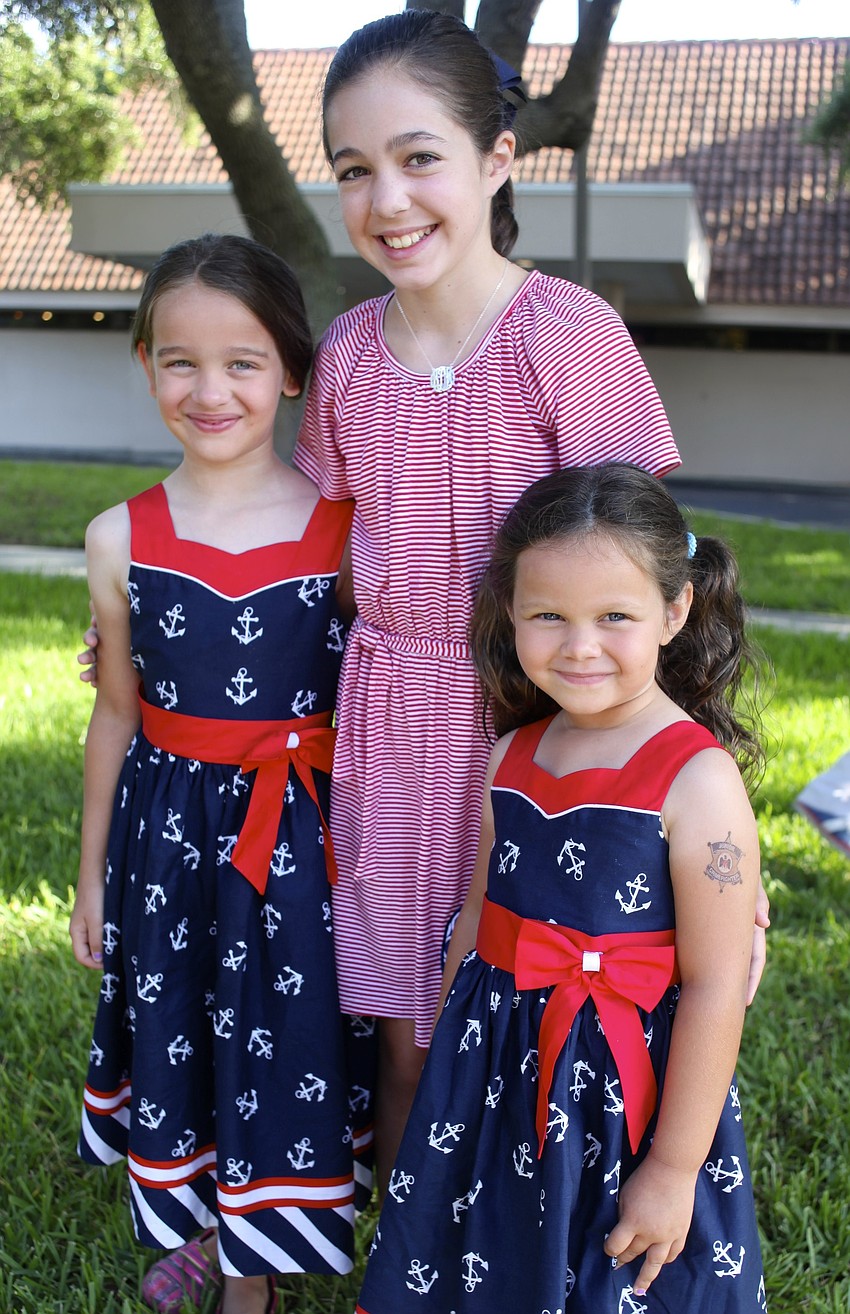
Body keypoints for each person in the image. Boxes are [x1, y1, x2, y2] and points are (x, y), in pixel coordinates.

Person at [81, 10, 768, 1193]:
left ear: (496, 157)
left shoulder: (569, 334)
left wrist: (678, 767)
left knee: (542, 1005)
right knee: (402, 1021)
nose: (386, 198)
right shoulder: (345, 353)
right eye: (354, 171)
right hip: (393, 719)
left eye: (418, 157)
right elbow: (329, 560)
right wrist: (175, 641)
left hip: (548, 728)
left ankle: (538, 1236)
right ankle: (406, 1261)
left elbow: (639, 571)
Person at [355, 463, 767, 1314]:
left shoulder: (695, 779)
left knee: (611, 1261)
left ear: (676, 610)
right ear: (511, 613)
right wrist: (446, 1068)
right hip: (498, 1063)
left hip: (623, 1090)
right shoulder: (513, 754)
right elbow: (478, 915)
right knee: (488, 1246)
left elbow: (719, 982)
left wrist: (674, 1165)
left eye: (614, 616)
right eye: (549, 616)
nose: (580, 646)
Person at [70, 233, 372, 1314]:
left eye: (242, 361)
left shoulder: (345, 533)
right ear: (145, 363)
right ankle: (205, 1226)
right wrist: (92, 873)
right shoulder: (118, 538)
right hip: (170, 848)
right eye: (180, 361)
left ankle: (254, 1278)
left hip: (301, 846)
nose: (211, 389)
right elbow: (115, 713)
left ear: (292, 369)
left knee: (280, 1038)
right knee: (190, 1030)